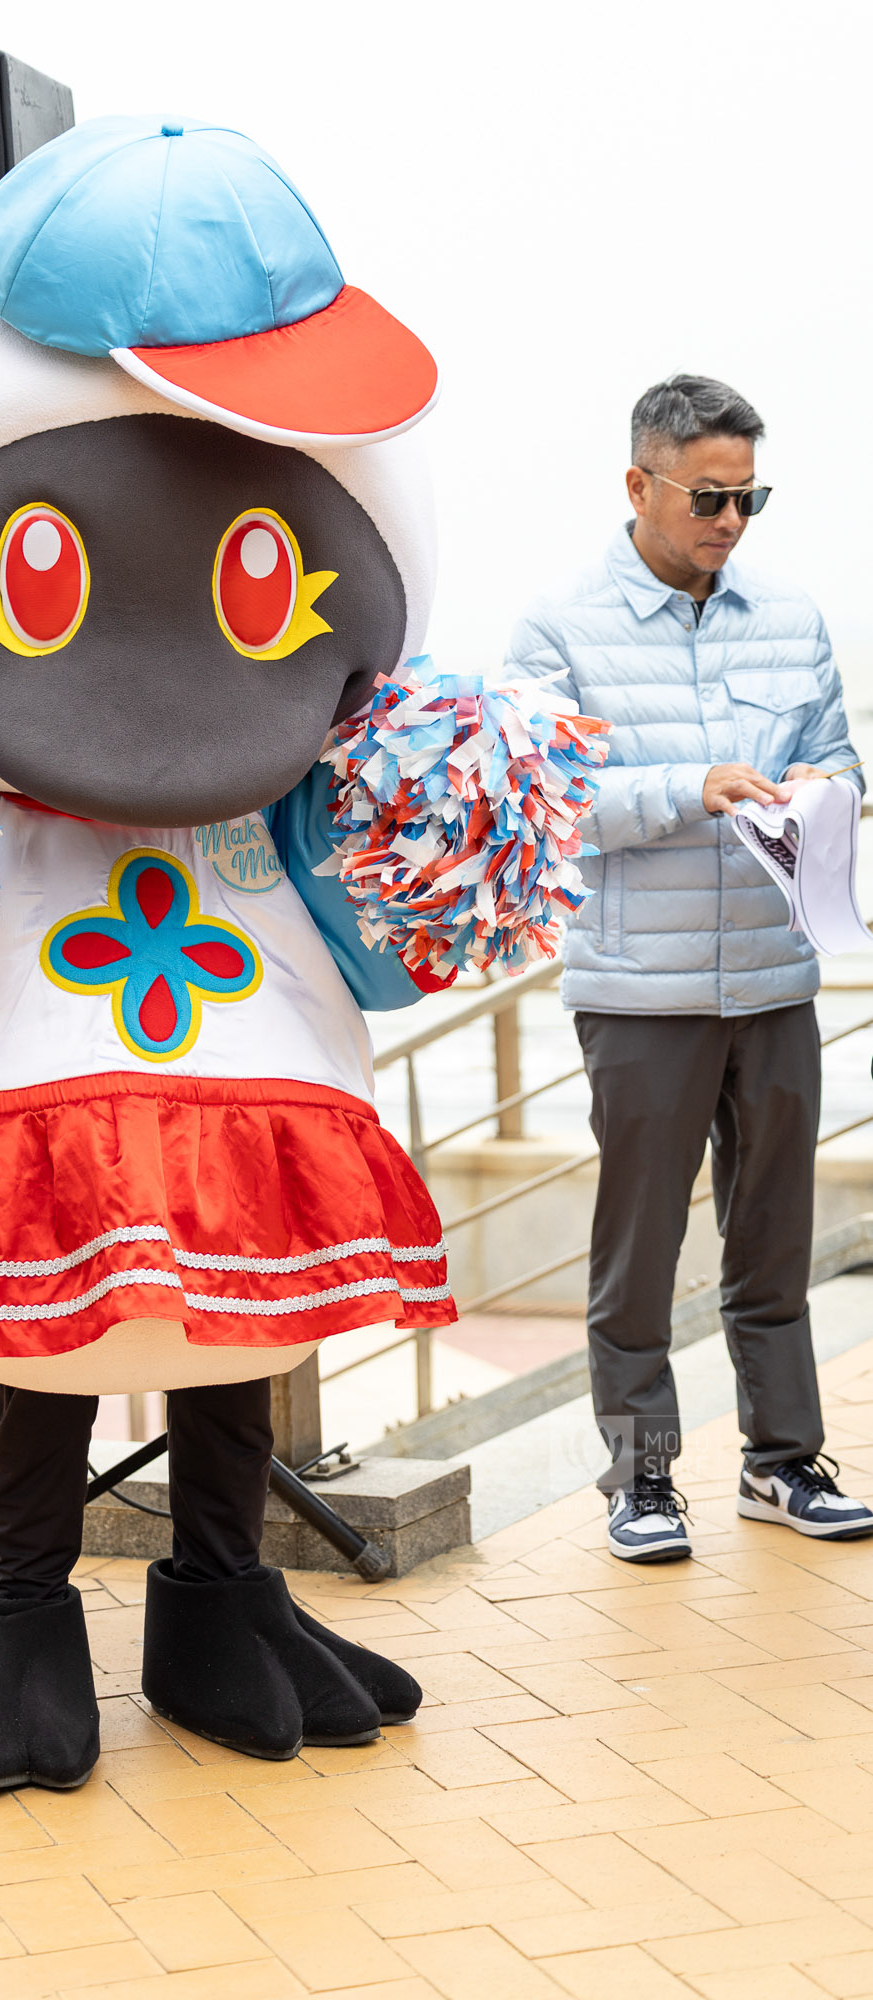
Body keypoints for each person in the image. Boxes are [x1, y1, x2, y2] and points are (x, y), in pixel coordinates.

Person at [505, 372, 873, 1561]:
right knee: (639, 1253)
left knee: (771, 1243)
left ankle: (781, 1461)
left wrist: (825, 788)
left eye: (748, 496)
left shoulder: (792, 617)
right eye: (707, 495)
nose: (729, 519)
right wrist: (687, 788)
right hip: (638, 992)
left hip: (774, 978)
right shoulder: (557, 628)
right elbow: (545, 803)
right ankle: (641, 1477)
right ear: (639, 482)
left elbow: (840, 760)